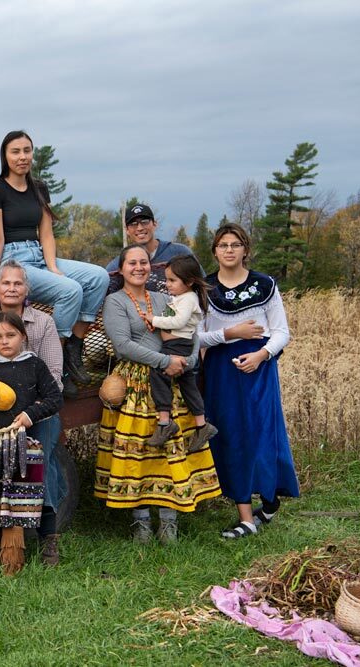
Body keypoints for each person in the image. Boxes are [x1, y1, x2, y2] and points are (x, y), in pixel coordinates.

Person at [95, 245, 221, 544]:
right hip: (138, 382)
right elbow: (123, 344)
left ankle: (168, 521)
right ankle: (140, 522)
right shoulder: (115, 302)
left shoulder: (167, 298)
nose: (138, 267)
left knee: (168, 452)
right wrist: (165, 361)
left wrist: (188, 363)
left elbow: (191, 332)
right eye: (132, 263)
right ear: (121, 269)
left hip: (172, 380)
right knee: (139, 452)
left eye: (143, 262)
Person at [0, 130, 109, 394]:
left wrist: (54, 267)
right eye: (15, 151)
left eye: (27, 150)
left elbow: (46, 233)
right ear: (5, 156)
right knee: (70, 290)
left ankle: (74, 345)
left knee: (98, 277)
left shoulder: (39, 187)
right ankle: (56, 362)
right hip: (12, 261)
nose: (22, 157)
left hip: (39, 256)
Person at [199, 223, 299, 539]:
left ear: (245, 249)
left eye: (235, 244)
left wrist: (261, 355)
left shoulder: (265, 285)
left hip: (259, 370)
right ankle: (246, 518)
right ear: (214, 251)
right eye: (223, 245)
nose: (229, 250)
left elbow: (282, 331)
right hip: (222, 372)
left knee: (264, 434)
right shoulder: (205, 288)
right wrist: (229, 333)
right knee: (231, 437)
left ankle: (270, 499)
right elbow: (195, 337)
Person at [0, 259, 71, 565]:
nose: (12, 288)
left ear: (26, 289)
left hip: (39, 410)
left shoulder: (42, 322)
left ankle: (49, 537)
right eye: (6, 282)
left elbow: (53, 375)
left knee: (39, 460)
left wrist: (31, 410)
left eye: (18, 283)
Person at [0, 312, 61, 575]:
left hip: (18, 444)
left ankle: (11, 563)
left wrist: (31, 415)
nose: (4, 342)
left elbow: (55, 399)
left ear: (23, 336)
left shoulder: (35, 365)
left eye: (10, 335)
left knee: (15, 503)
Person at [144, 254, 218, 450]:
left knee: (158, 373)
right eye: (166, 279)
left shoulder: (188, 299)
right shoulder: (180, 298)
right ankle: (201, 425)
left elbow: (178, 322)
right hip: (180, 344)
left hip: (177, 346)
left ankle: (164, 422)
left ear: (189, 281)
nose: (167, 284)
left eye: (172, 280)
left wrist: (154, 319)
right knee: (188, 385)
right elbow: (172, 317)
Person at [106, 203, 196, 294]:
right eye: (133, 224)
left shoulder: (179, 252)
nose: (140, 228)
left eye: (144, 222)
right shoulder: (116, 266)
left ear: (154, 224)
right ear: (127, 230)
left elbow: (201, 286)